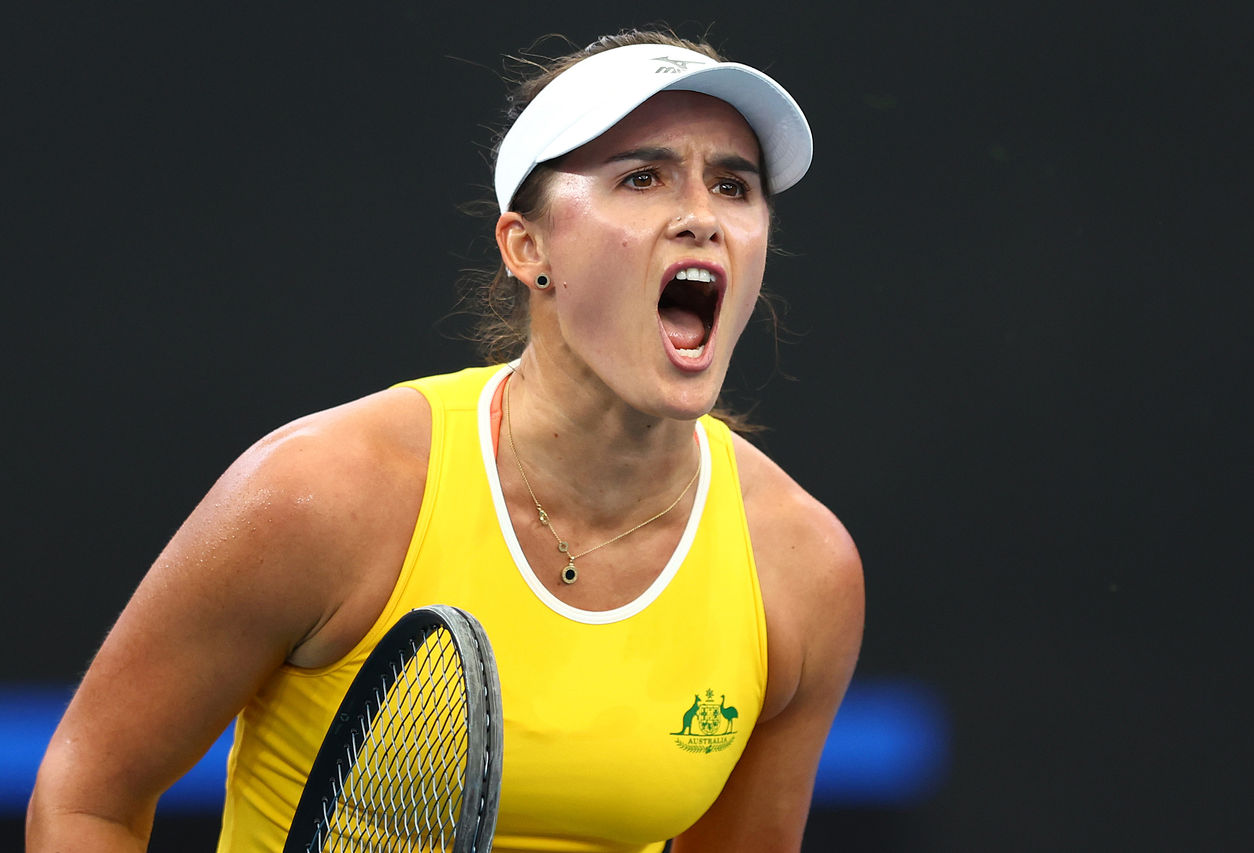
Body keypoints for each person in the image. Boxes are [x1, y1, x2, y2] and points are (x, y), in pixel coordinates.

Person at [27, 29, 864, 852]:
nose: (699, 217)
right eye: (643, 177)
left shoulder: (798, 568)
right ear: (526, 246)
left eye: (733, 184)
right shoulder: (324, 494)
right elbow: (86, 799)